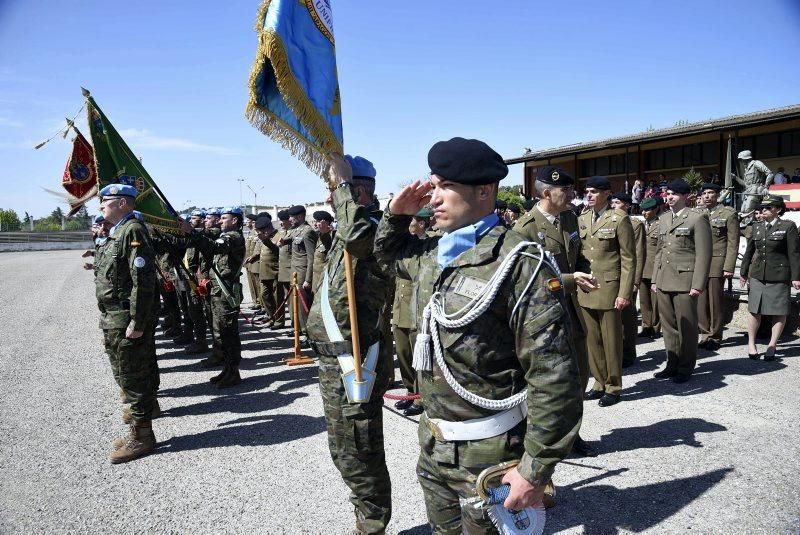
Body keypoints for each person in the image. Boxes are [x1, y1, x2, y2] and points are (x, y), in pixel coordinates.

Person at [374, 137, 582, 532]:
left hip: (491, 455)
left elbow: (555, 377)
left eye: (444, 187)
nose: (433, 198)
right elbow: (383, 253)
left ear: (484, 190)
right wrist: (395, 215)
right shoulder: (431, 254)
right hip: (435, 446)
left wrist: (534, 471)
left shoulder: (520, 262)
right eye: (432, 185)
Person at [306, 154, 394, 534]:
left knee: (360, 449)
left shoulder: (375, 227)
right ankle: (363, 514)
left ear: (357, 189)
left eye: (334, 188)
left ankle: (373, 524)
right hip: (334, 358)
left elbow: (360, 240)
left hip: (358, 359)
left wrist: (340, 186)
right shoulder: (346, 225)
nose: (329, 196)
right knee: (344, 449)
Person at [513, 165, 598, 456]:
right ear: (547, 193)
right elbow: (527, 279)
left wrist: (585, 273)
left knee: (579, 375)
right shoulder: (524, 228)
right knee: (547, 381)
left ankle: (571, 435)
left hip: (571, 310)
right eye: (567, 190)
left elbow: (579, 256)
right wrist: (572, 280)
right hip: (542, 317)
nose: (572, 194)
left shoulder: (569, 219)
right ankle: (539, 438)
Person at [94, 184, 159, 464]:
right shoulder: (117, 232)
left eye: (105, 202)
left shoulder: (132, 230)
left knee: (133, 377)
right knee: (125, 373)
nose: (101, 207)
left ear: (122, 203)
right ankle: (138, 426)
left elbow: (142, 280)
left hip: (125, 319)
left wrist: (138, 320)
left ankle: (143, 436)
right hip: (113, 317)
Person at [577, 176, 635, 407]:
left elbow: (629, 258)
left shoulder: (619, 218)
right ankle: (599, 382)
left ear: (606, 193)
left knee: (611, 341)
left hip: (610, 288)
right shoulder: (582, 218)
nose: (588, 195)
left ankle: (613, 386)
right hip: (586, 288)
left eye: (593, 191)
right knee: (592, 340)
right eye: (586, 191)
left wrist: (625, 293)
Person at [651, 179, 712, 383]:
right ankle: (672, 363)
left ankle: (685, 367)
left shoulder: (697, 218)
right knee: (668, 327)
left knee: (686, 326)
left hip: (685, 281)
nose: (669, 197)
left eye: (674, 194)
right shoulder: (664, 218)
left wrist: (698, 284)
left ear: (686, 196)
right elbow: (659, 251)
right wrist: (654, 279)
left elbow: (704, 255)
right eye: (668, 194)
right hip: (663, 279)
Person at [180, 206, 246, 388]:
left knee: (229, 332)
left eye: (224, 218)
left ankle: (233, 372)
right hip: (218, 292)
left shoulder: (234, 236)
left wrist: (192, 232)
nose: (220, 220)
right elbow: (209, 238)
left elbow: (215, 247)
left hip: (226, 292)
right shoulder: (225, 235)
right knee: (221, 332)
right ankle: (227, 369)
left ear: (235, 220)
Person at [740, 195, 800, 360]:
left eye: (768, 208)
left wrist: (796, 277)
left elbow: (794, 253)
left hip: (779, 275)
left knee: (779, 311)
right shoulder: (757, 227)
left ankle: (772, 345)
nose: (763, 210)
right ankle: (751, 344)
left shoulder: (788, 226)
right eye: (762, 208)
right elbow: (749, 252)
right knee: (754, 310)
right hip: (758, 274)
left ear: (778, 210)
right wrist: (744, 273)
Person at [391, 206, 432, 418]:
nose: (409, 225)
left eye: (412, 221)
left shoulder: (430, 243)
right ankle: (410, 391)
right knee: (403, 352)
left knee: (418, 353)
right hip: (401, 306)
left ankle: (420, 396)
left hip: (418, 305)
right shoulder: (405, 243)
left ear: (422, 223)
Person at [697, 183, 740, 351]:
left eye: (711, 193)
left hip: (717, 262)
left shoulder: (728, 213)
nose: (707, 196)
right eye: (705, 193)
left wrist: (729, 266)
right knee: (700, 302)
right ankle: (704, 333)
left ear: (717, 195)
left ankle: (715, 336)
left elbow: (733, 242)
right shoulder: (698, 213)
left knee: (715, 301)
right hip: (699, 264)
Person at [610, 192, 645, 367]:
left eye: (617, 202)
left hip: (627, 277)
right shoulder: (609, 220)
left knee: (627, 318)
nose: (613, 205)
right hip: (612, 276)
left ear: (627, 205)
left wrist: (635, 281)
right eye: (613, 202)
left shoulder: (635, 224)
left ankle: (629, 353)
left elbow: (637, 254)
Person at [284, 205, 317, 336]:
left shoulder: (307, 231)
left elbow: (311, 257)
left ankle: (307, 333)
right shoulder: (295, 230)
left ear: (300, 216)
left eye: (292, 217)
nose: (290, 219)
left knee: (303, 306)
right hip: (295, 273)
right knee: (296, 305)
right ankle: (299, 329)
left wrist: (308, 279)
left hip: (303, 274)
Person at [183, 209, 210, 355]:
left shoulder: (203, 234)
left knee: (203, 310)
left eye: (195, 218)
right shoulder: (191, 234)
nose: (192, 220)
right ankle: (200, 340)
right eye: (191, 218)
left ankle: (205, 342)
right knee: (193, 309)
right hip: (190, 275)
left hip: (200, 277)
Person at [246, 216, 280, 326]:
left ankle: (279, 321)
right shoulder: (263, 237)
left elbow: (277, 251)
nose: (260, 233)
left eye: (262, 231)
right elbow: (261, 251)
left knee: (276, 297)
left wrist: (266, 240)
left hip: (274, 270)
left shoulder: (278, 236)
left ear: (268, 228)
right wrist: (254, 257)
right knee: (264, 295)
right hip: (264, 271)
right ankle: (271, 316)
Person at [638, 197, 662, 337]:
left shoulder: (660, 225)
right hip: (642, 267)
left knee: (655, 301)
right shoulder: (642, 225)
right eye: (643, 210)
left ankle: (655, 327)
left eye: (647, 210)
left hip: (654, 268)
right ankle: (646, 326)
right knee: (644, 300)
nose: (644, 212)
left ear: (655, 210)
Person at [273, 209, 292, 330]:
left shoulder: (292, 233)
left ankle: (298, 327)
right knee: (288, 300)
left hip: (292, 272)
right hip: (283, 271)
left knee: (294, 301)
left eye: (282, 221)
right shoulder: (282, 234)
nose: (280, 223)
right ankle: (295, 325)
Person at [311, 210, 335, 293]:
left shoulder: (331, 236)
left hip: (325, 279)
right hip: (316, 277)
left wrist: (327, 231)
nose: (315, 224)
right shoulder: (319, 235)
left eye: (317, 221)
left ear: (325, 222)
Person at [243, 214, 263, 315]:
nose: (247, 222)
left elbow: (258, 249)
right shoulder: (251, 232)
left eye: (250, 221)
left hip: (255, 261)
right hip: (249, 262)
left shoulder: (257, 233)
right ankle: (255, 301)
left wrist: (252, 257)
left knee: (258, 284)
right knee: (252, 284)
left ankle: (260, 302)